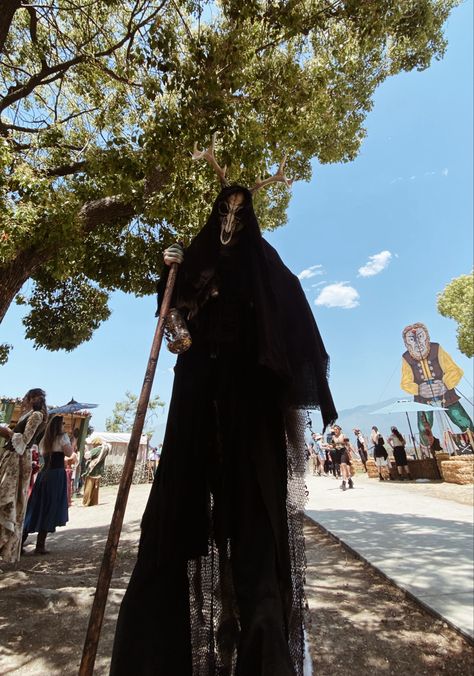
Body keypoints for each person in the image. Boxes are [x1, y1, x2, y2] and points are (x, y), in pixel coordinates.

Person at [110, 172, 337, 675]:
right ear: (216, 213)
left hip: (251, 401)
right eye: (224, 210)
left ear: (250, 215)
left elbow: (292, 312)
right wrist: (172, 291)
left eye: (240, 210)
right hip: (197, 396)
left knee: (256, 516)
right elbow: (172, 320)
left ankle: (262, 650)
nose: (231, 219)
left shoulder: (265, 263)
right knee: (176, 510)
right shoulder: (194, 260)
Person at [0, 388, 48, 562]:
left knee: (9, 499)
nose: (22, 400)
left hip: (17, 460)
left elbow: (25, 440)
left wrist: (6, 432)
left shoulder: (36, 416)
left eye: (25, 397)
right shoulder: (29, 415)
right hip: (14, 458)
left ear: (32, 398)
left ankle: (6, 546)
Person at [22, 415, 73, 554]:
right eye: (63, 423)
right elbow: (69, 454)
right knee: (50, 507)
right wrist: (71, 441)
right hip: (56, 475)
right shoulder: (62, 437)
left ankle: (21, 543)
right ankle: (39, 546)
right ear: (59, 425)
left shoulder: (45, 439)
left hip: (44, 475)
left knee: (37, 507)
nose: (64, 425)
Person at [82, 437, 110, 506]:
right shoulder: (104, 450)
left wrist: (85, 450)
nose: (92, 445)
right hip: (99, 470)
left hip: (93, 470)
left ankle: (86, 502)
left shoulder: (97, 449)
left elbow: (87, 456)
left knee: (88, 487)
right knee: (95, 488)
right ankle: (94, 502)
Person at [332, 425, 352, 491]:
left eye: (336, 429)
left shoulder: (343, 435)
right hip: (337, 452)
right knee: (342, 467)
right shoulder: (333, 437)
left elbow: (347, 442)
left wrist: (350, 451)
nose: (335, 431)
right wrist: (329, 446)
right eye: (334, 429)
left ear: (339, 430)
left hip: (343, 451)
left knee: (344, 466)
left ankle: (344, 482)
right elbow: (333, 445)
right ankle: (349, 480)